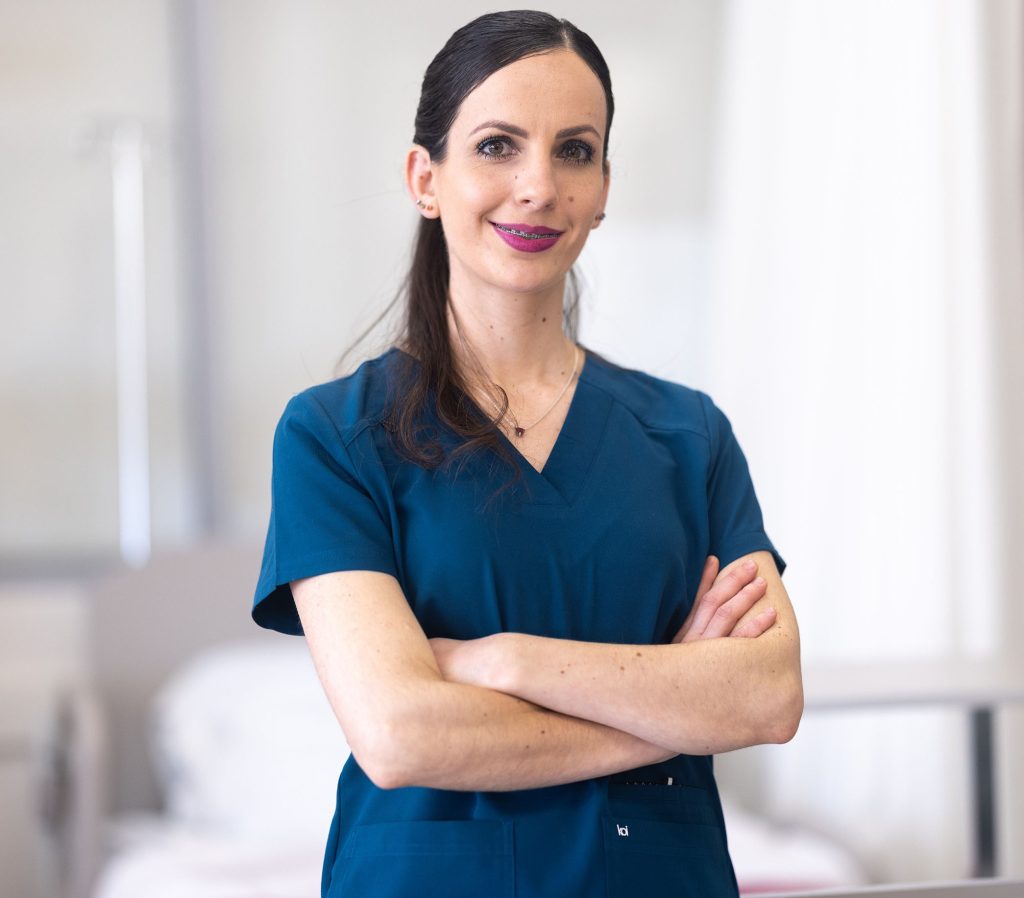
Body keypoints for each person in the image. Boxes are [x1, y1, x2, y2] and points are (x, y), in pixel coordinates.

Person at [252, 10, 802, 898]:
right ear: (425, 178)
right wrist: (676, 713)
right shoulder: (334, 437)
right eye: (498, 146)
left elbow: (767, 697)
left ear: (605, 185)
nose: (539, 186)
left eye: (574, 151)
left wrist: (501, 659)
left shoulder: (688, 436)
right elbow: (400, 734)